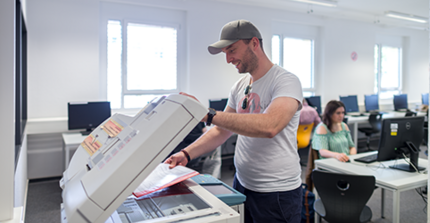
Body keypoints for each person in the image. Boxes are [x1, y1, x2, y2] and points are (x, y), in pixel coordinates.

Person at [165, 19, 303, 223]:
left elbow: (271, 126)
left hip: (277, 192)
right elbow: (221, 130)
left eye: (232, 50)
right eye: (225, 53)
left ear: (254, 43)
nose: (228, 59)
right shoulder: (240, 86)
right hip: (243, 183)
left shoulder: (285, 81)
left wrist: (208, 114)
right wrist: (186, 153)